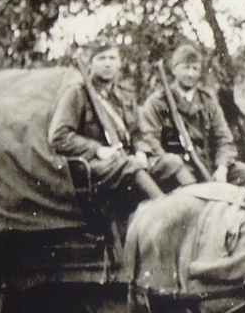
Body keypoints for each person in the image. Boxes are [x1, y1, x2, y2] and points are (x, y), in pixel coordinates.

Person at [48, 38, 163, 205]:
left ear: (119, 64)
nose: (107, 64)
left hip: (125, 159)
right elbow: (59, 136)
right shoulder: (78, 94)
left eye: (112, 58)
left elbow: (137, 133)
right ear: (91, 64)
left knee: (170, 163)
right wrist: (97, 150)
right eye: (101, 58)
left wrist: (141, 152)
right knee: (131, 166)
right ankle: (163, 209)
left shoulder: (125, 96)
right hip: (93, 165)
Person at [139, 44, 245, 191]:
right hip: (176, 170)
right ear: (174, 69)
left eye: (195, 69)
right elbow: (150, 139)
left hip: (208, 165)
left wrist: (222, 167)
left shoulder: (208, 102)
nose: (190, 74)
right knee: (192, 188)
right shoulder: (157, 102)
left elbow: (224, 139)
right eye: (185, 68)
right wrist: (171, 162)